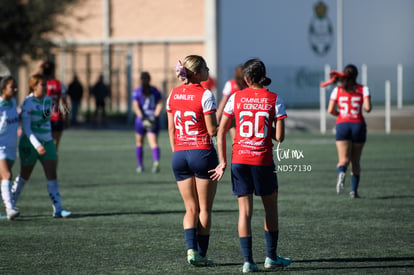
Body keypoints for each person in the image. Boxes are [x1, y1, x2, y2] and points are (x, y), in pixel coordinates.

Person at [210, 59, 292, 272]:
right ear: (263, 76)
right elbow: (280, 137)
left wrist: (223, 161)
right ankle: (271, 257)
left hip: (239, 161)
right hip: (262, 161)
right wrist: (268, 125)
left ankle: (248, 262)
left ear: (245, 79)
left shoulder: (236, 97)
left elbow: (221, 130)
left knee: (244, 212)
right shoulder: (275, 99)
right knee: (270, 209)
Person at [166, 55, 218, 266]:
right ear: (196, 73)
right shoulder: (205, 94)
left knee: (190, 209)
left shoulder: (173, 93)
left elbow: (171, 129)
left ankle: (190, 251)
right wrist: (226, 123)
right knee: (204, 209)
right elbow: (212, 130)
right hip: (202, 152)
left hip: (179, 154)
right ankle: (202, 255)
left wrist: (177, 151)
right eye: (205, 67)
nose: (208, 70)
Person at [12, 74, 72, 218]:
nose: (46, 87)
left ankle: (58, 209)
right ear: (34, 86)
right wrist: (37, 145)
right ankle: (10, 204)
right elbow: (26, 128)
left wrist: (48, 139)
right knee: (24, 176)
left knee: (52, 175)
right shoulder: (28, 102)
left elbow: (46, 121)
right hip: (30, 144)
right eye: (42, 85)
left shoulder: (48, 100)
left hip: (48, 142)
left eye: (46, 84)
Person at [326, 64, 372, 198]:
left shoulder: (338, 90)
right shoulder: (363, 89)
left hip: (343, 124)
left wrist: (340, 115)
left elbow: (330, 110)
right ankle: (353, 191)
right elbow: (368, 108)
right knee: (356, 161)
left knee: (343, 160)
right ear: (356, 75)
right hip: (358, 124)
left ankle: (341, 172)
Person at [132, 72, 163, 173]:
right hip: (152, 119)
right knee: (153, 143)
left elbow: (136, 106)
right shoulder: (155, 90)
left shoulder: (137, 91)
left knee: (139, 143)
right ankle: (156, 162)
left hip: (140, 120)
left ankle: (140, 166)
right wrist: (155, 115)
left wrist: (141, 116)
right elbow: (159, 103)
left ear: (140, 80)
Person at [0, 76, 20, 220]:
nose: (16, 89)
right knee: (7, 176)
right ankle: (10, 209)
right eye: (12, 87)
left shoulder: (13, 102)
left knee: (2, 179)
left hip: (12, 147)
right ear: (3, 89)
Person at [41, 61, 69, 151]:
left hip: (43, 117)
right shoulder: (59, 84)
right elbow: (65, 104)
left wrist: (38, 67)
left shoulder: (40, 85)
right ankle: (52, 163)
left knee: (42, 145)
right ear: (53, 71)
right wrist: (67, 117)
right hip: (57, 117)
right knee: (55, 145)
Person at [216, 65, 246, 140]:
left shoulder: (230, 84)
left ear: (234, 73)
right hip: (243, 113)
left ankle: (236, 149)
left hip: (235, 113)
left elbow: (223, 101)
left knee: (235, 137)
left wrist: (217, 116)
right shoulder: (247, 84)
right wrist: (218, 115)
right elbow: (224, 101)